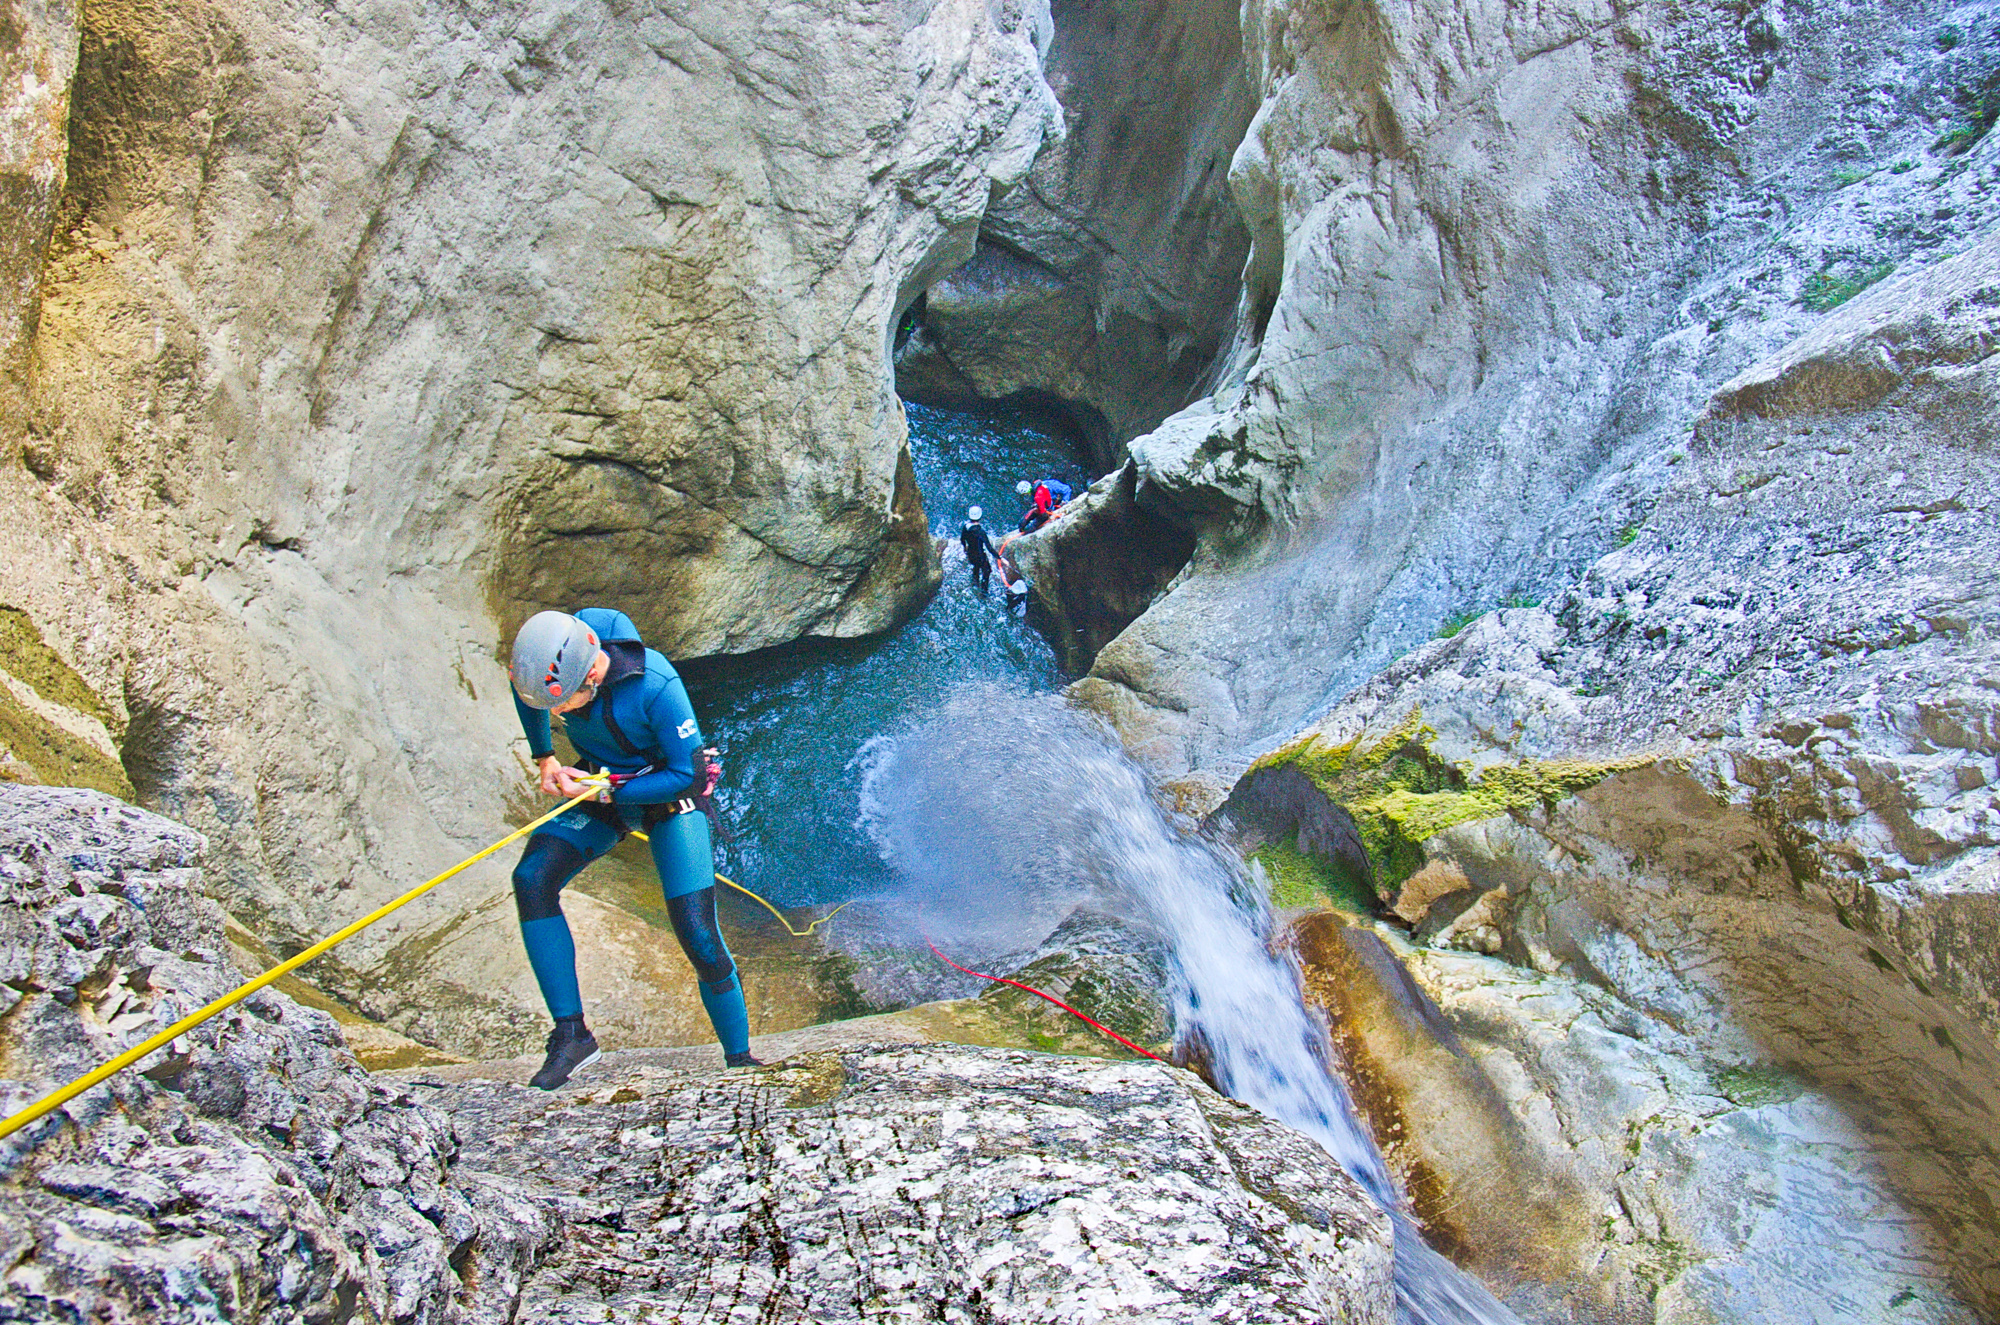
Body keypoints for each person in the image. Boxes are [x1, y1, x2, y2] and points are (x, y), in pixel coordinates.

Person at [508, 608, 757, 1088]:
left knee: (699, 935)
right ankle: (573, 1036)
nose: (557, 714)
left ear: (594, 672)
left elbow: (691, 775)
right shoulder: (556, 658)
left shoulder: (657, 684)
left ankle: (740, 1062)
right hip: (601, 782)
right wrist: (545, 759)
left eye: (565, 704)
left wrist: (608, 792)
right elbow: (530, 696)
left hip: (668, 797)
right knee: (532, 879)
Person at [958, 505, 998, 592]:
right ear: (980, 517)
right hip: (980, 556)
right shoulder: (980, 532)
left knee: (976, 568)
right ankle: (984, 592)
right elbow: (989, 548)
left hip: (970, 554)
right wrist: (999, 557)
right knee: (987, 571)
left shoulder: (966, 527)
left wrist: (965, 547)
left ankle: (975, 584)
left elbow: (962, 539)